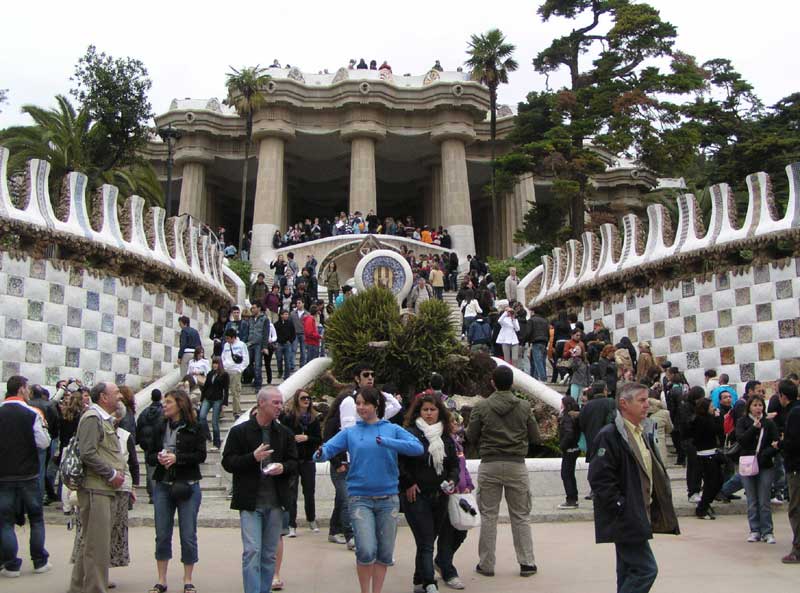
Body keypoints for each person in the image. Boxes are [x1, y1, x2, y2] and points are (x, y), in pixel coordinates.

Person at [315, 387, 424, 593]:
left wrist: (388, 443)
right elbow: (328, 448)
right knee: (365, 550)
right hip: (360, 499)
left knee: (384, 553)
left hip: (388, 499)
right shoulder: (351, 432)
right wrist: (321, 453)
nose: (360, 407)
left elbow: (417, 447)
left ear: (376, 405)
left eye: (365, 403)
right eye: (358, 403)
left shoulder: (391, 429)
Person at [587, 383, 679, 593]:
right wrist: (621, 504)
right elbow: (600, 477)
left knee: (628, 571)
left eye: (647, 400)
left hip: (638, 512)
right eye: (642, 400)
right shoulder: (610, 435)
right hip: (627, 516)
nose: (647, 405)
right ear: (624, 404)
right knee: (646, 570)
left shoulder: (641, 432)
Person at [467, 365, 541, 578]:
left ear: (493, 382)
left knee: (489, 515)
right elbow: (535, 437)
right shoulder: (525, 406)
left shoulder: (481, 407)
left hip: (489, 464)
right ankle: (527, 563)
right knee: (520, 516)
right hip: (516, 465)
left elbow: (471, 436)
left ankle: (487, 564)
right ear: (512, 383)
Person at [222, 388, 298, 593]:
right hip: (250, 502)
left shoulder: (284, 433)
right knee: (252, 551)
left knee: (269, 554)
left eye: (281, 403)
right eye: (275, 403)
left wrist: (283, 467)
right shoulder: (240, 432)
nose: (280, 407)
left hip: (276, 502)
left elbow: (294, 462)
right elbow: (228, 462)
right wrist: (252, 458)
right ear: (261, 403)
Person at [146, 390, 206, 593]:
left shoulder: (195, 427)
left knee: (188, 534)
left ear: (180, 404)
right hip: (163, 483)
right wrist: (160, 458)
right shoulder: (159, 426)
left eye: (169, 402)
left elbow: (201, 455)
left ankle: (188, 579)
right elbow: (150, 454)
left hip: (187, 484)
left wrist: (177, 458)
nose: (165, 405)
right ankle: (161, 579)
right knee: (162, 533)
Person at [69, 382, 126, 593]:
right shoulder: (93, 418)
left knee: (91, 543)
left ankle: (77, 587)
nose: (120, 396)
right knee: (97, 546)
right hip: (96, 488)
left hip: (101, 488)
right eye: (116, 393)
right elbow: (88, 453)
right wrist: (111, 474)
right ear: (103, 397)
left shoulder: (102, 418)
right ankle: (94, 588)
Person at [400, 394, 460, 593]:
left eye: (432, 410)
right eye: (425, 410)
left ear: (439, 412)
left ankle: (419, 579)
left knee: (427, 540)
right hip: (416, 496)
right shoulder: (409, 434)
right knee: (426, 540)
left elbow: (453, 464)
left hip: (440, 496)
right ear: (419, 412)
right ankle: (429, 582)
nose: (428, 414)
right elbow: (400, 462)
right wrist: (408, 483)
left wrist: (453, 480)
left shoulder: (446, 436)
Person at [0, 376, 51, 578]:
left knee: (4, 521)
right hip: (29, 474)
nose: (29, 392)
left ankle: (11, 565)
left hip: (3, 475)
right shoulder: (32, 413)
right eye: (27, 388)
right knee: (36, 518)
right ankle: (39, 560)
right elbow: (44, 442)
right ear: (21, 389)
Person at [433, 411, 473, 590]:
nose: (456, 424)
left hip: (461, 495)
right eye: (452, 422)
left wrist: (469, 485)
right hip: (447, 494)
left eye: (457, 422)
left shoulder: (457, 444)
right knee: (448, 532)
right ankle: (448, 569)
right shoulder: (441, 444)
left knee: (462, 530)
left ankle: (442, 560)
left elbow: (463, 468)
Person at [736, 394, 779, 544]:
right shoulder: (742, 422)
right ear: (749, 407)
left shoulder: (769, 423)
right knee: (752, 500)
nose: (758, 408)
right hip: (748, 464)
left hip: (765, 465)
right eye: (755, 405)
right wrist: (754, 429)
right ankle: (754, 530)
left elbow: (775, 443)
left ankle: (767, 531)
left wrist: (765, 455)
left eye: (760, 405)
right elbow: (741, 440)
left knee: (764, 500)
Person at [280, 390, 322, 536]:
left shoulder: (314, 419)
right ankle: (292, 524)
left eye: (308, 398)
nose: (306, 400)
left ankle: (311, 519)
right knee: (292, 493)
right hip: (293, 459)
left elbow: (318, 439)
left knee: (309, 491)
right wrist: (294, 438)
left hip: (308, 459)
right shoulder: (290, 418)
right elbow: (283, 435)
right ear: (297, 400)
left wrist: (307, 438)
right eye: (303, 398)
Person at [689, 397, 724, 520]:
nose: (713, 408)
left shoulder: (704, 419)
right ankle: (702, 508)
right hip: (705, 455)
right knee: (712, 482)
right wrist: (718, 418)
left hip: (711, 452)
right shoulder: (701, 420)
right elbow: (717, 430)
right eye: (711, 406)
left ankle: (705, 504)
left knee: (717, 481)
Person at [779, 379, 800, 562]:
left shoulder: (794, 413)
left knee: (796, 508)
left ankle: (798, 550)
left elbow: (794, 443)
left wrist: (780, 444)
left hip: (796, 468)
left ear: (783, 396)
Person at [136, 389, 164, 504]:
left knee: (150, 469)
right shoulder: (163, 412)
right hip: (160, 444)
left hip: (147, 445)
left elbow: (139, 427)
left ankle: (152, 494)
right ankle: (159, 493)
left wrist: (140, 441)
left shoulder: (144, 412)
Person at [199, 357, 229, 450]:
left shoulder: (224, 375)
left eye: (216, 363)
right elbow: (206, 387)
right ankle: (207, 436)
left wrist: (224, 403)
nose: (214, 365)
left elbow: (226, 389)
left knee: (214, 422)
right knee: (202, 416)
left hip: (217, 399)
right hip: (207, 398)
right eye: (213, 363)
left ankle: (217, 443)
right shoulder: (210, 373)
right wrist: (201, 399)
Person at [558, 395, 581, 509]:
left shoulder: (567, 417)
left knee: (566, 474)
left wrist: (562, 446)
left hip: (569, 449)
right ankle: (573, 498)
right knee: (570, 474)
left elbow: (569, 433)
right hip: (575, 448)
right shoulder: (574, 416)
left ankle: (571, 499)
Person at [222, 328, 249, 418]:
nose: (227, 340)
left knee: (235, 391)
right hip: (226, 370)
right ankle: (221, 412)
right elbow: (223, 356)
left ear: (233, 337)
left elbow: (246, 359)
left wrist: (239, 369)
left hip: (236, 371)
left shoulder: (241, 345)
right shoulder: (226, 345)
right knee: (222, 391)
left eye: (228, 338)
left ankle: (236, 411)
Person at [248, 302, 275, 391]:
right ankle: (251, 379)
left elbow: (266, 334)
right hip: (250, 343)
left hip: (259, 344)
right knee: (249, 363)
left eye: (254, 308)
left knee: (258, 364)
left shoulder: (265, 319)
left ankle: (258, 384)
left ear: (259, 308)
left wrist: (264, 346)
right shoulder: (250, 319)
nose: (252, 309)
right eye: (252, 308)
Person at [526, 307, 550, 382]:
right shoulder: (545, 321)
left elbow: (528, 332)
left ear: (533, 312)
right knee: (542, 361)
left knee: (537, 361)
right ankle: (535, 378)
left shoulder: (531, 320)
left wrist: (526, 341)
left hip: (535, 342)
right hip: (544, 342)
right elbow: (548, 333)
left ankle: (543, 378)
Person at [274, 309, 296, 380]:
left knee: (287, 360)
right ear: (281, 315)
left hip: (287, 344)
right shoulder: (276, 324)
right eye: (285, 314)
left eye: (287, 314)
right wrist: (276, 342)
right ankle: (280, 372)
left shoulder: (290, 323)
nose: (286, 316)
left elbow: (293, 333)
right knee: (279, 359)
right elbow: (274, 334)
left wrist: (290, 341)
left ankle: (287, 375)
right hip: (279, 344)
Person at [290, 299, 308, 368]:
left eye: (299, 303)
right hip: (295, 333)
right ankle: (292, 364)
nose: (298, 304)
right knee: (293, 349)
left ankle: (302, 365)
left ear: (303, 304)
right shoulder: (292, 313)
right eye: (297, 303)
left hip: (303, 333)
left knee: (303, 350)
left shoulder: (307, 314)